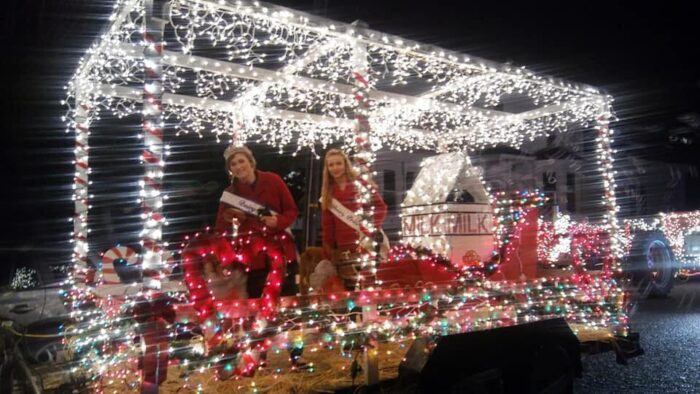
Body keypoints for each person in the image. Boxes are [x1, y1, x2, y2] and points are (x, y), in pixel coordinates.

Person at [214, 145, 299, 320]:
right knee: (256, 306)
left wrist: (278, 221)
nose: (238, 166)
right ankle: (261, 342)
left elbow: (291, 212)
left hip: (282, 251)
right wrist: (223, 256)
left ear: (250, 162)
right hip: (253, 258)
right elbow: (221, 230)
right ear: (230, 169)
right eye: (233, 164)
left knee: (287, 302)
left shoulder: (273, 180)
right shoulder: (230, 194)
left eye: (241, 161)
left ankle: (293, 344)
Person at [319, 149, 388, 290]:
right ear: (327, 168)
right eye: (331, 165)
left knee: (369, 287)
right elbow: (328, 225)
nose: (335, 168)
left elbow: (381, 206)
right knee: (350, 290)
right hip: (344, 250)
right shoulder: (328, 192)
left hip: (366, 244)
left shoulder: (359, 184)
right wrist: (328, 250)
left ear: (345, 164)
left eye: (338, 163)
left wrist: (371, 228)